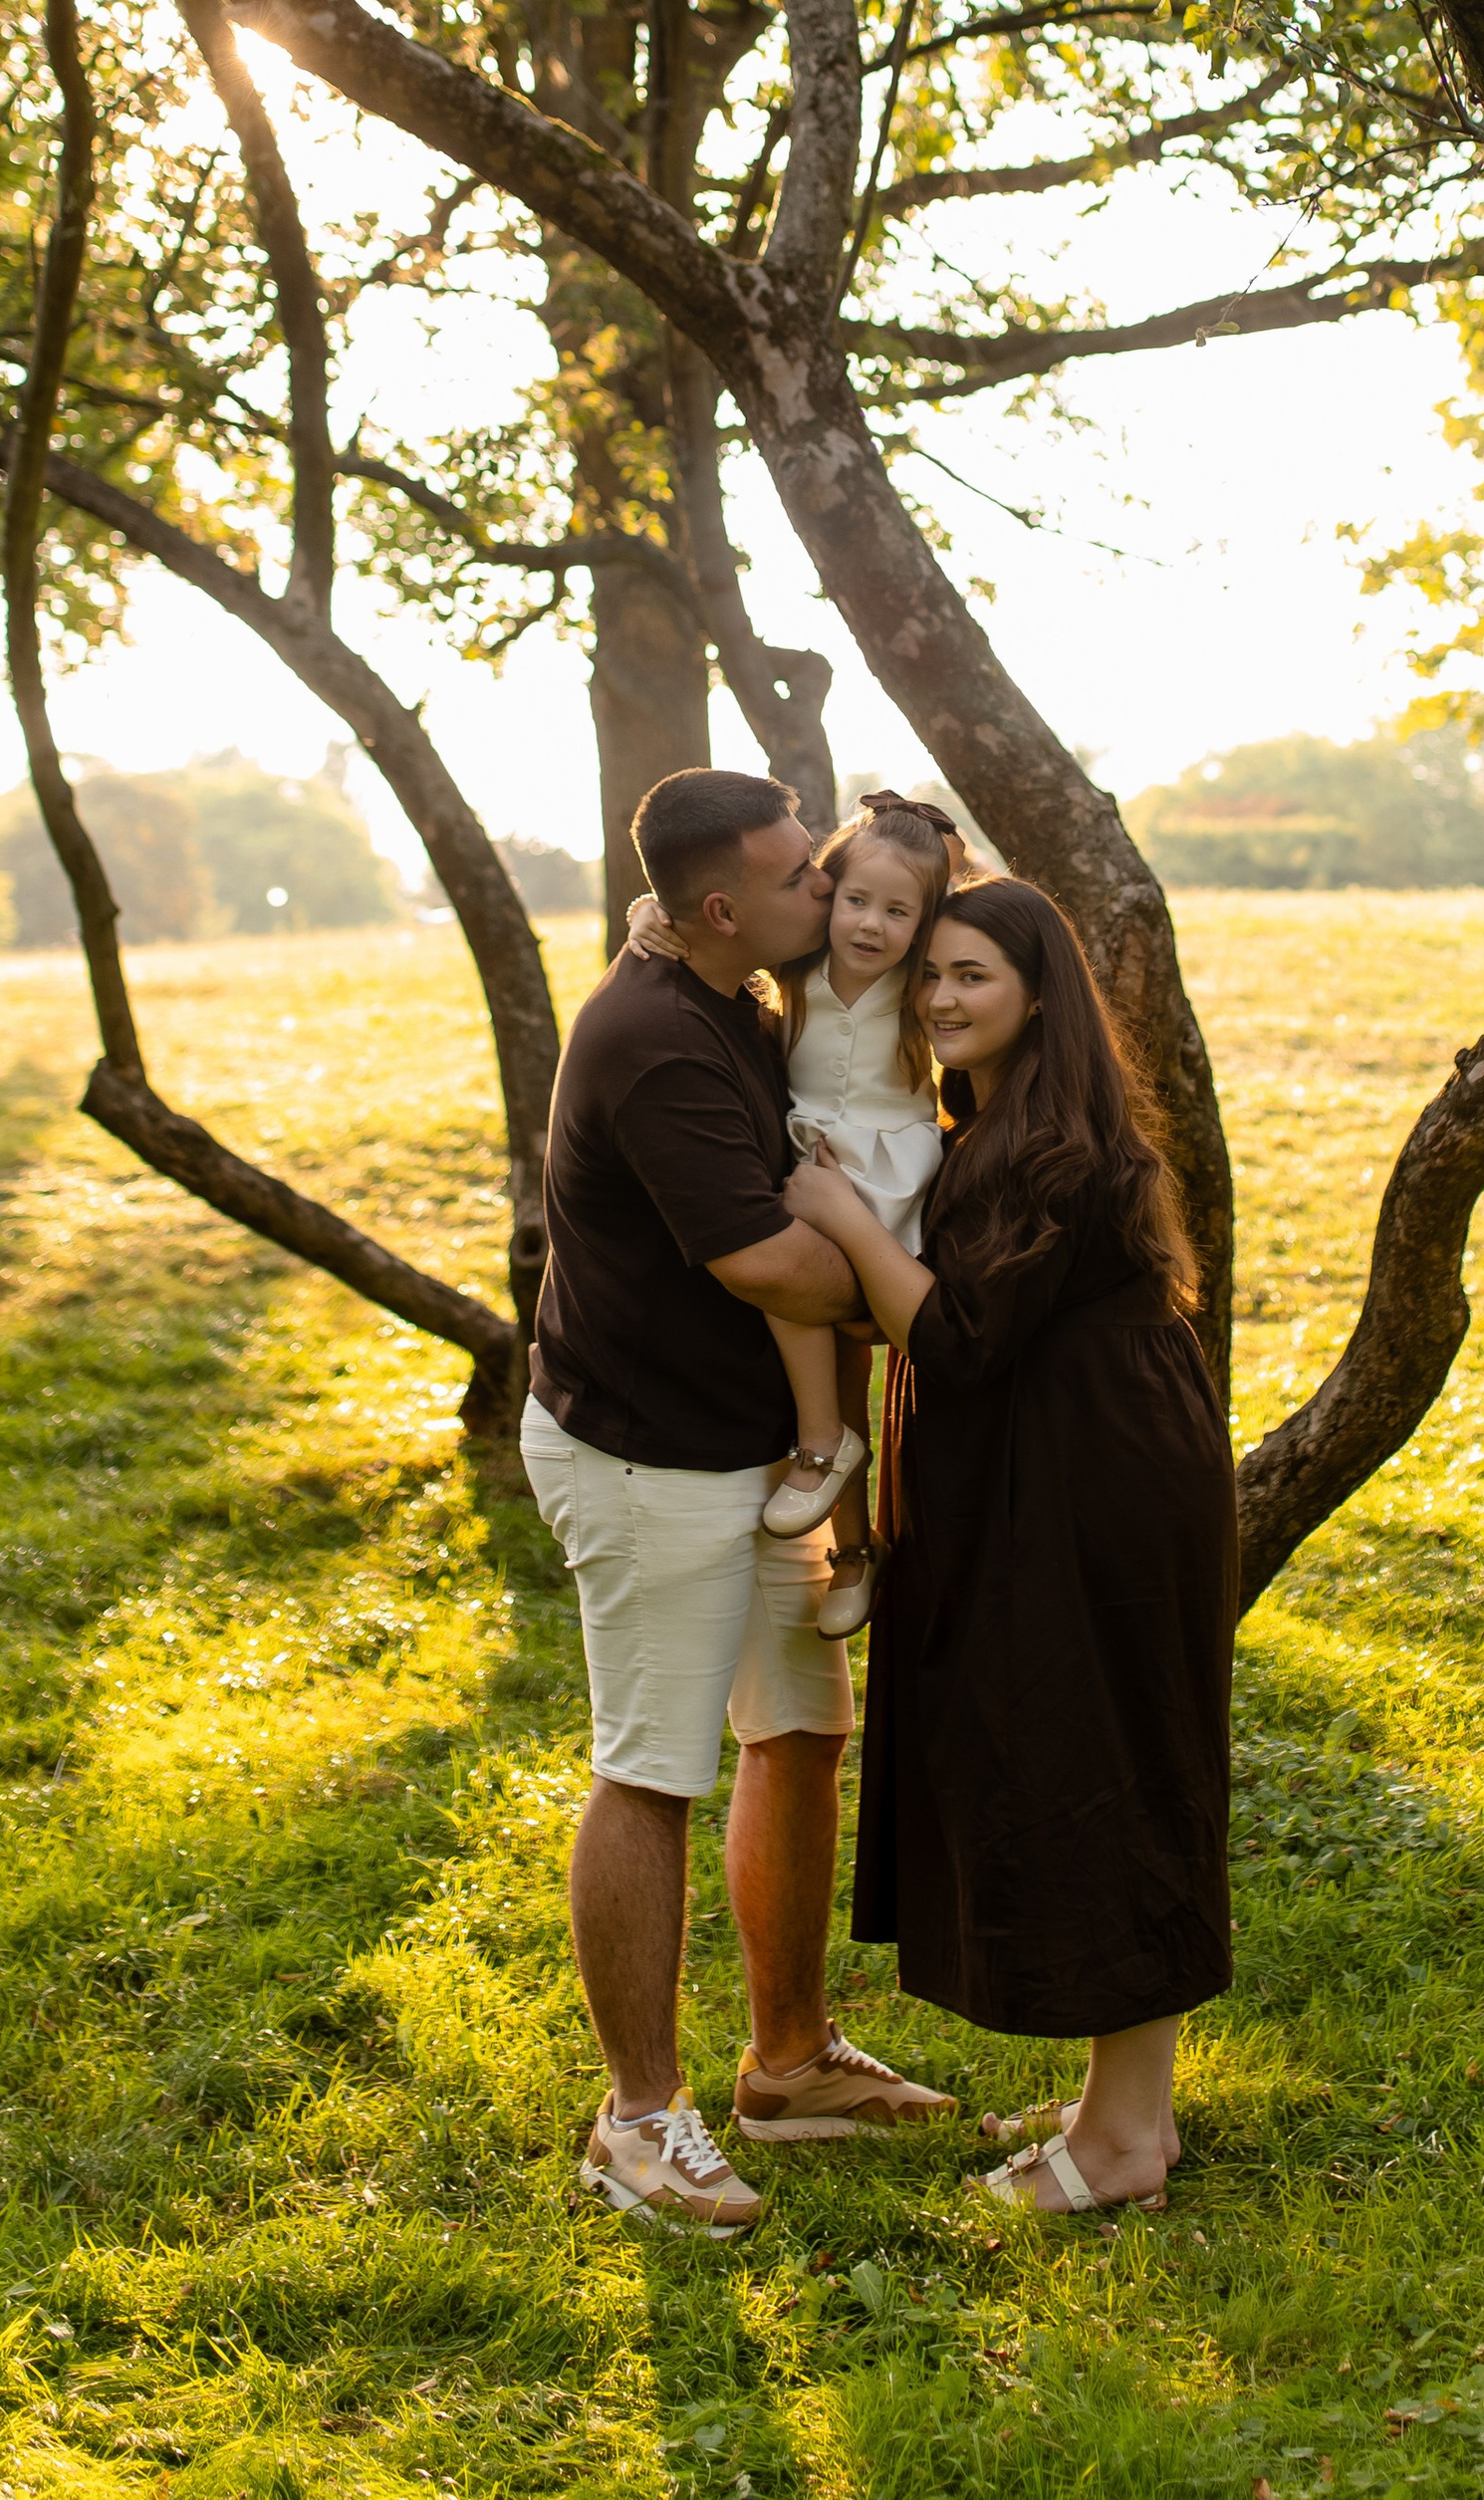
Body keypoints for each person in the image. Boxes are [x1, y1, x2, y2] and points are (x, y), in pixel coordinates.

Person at [522, 766, 954, 2235]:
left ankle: (789, 2064)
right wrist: (915, 1293)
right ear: (721, 909)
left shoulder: (731, 986)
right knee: (651, 1770)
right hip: (650, 1456)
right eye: (799, 879)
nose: (827, 893)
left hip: (761, 1451)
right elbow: (771, 1265)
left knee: (803, 1731)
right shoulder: (653, 1037)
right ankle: (636, 2122)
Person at [785, 875, 1237, 2217]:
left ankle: (1116, 2152)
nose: (937, 997)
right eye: (930, 975)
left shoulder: (1061, 1146)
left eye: (970, 974)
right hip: (1062, 1465)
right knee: (1085, 1761)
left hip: (1093, 1483)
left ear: (1039, 991)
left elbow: (964, 1338)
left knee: (1108, 1770)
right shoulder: (1000, 1123)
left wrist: (849, 1221)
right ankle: (1126, 2113)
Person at [633, 792, 972, 1636]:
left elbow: (994, 925)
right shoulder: (794, 969)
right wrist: (648, 909)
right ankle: (844, 1534)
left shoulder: (920, 984)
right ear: (827, 892)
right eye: (855, 900)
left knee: (882, 1359)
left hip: (896, 1181)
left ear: (927, 922)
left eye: (899, 912)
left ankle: (862, 1506)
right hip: (812, 1166)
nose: (871, 925)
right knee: (794, 1306)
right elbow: (712, 919)